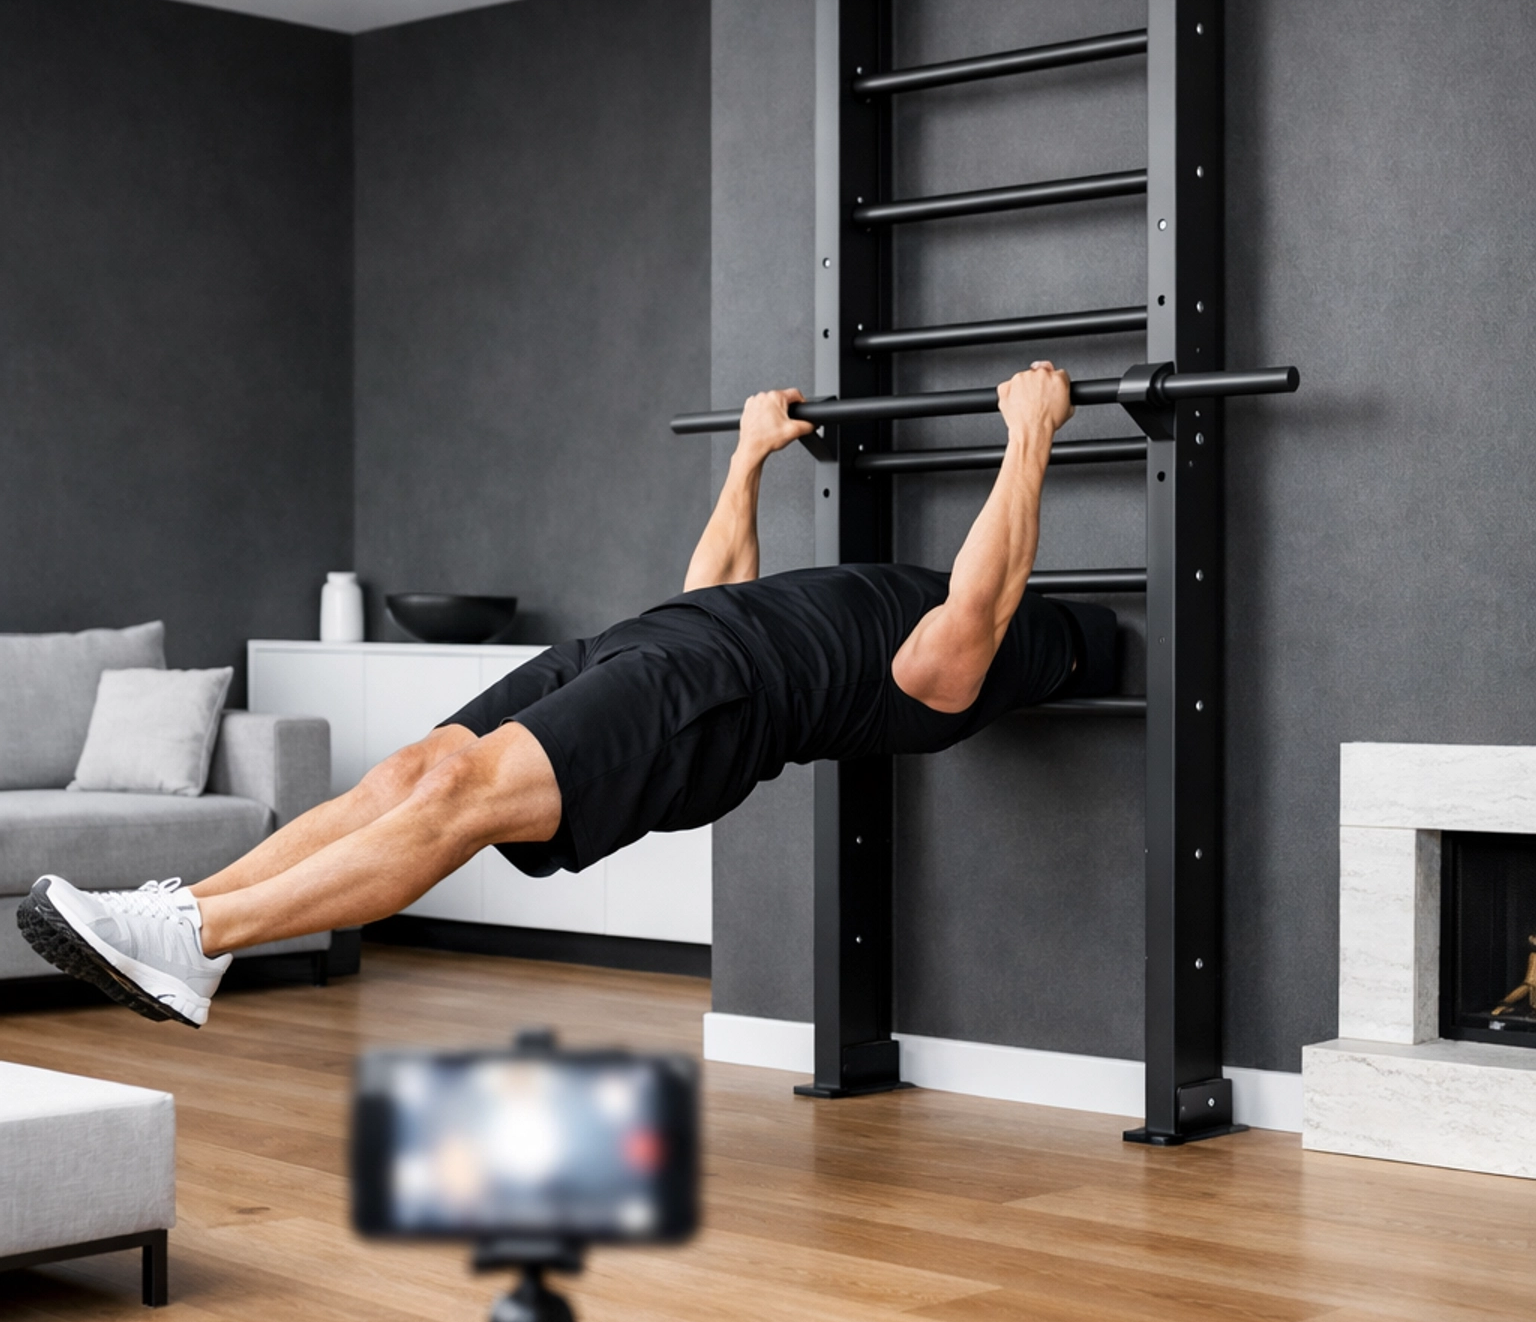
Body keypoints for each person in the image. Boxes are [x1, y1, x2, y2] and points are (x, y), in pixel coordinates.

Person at [20, 362, 1115, 1026]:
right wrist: (749, 460)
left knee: (460, 799)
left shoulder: (947, 681)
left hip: (711, 701)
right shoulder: (901, 617)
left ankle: (201, 933)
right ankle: (183, 917)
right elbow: (715, 594)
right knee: (416, 770)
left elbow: (980, 603)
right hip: (662, 641)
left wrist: (1030, 435)